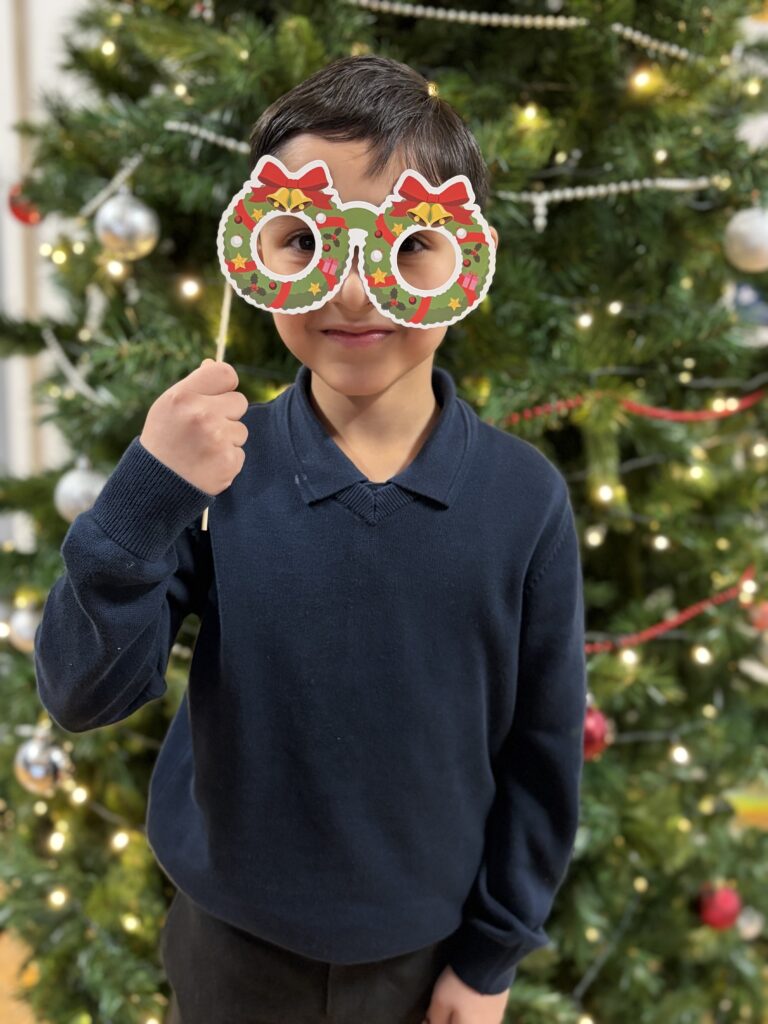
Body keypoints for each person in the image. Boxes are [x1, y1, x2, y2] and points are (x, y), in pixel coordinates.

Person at [33, 54, 587, 1024]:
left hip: (424, 960)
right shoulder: (215, 472)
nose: (356, 294)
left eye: (407, 244)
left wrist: (490, 959)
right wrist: (147, 491)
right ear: (258, 245)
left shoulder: (524, 500)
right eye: (307, 239)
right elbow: (83, 691)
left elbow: (544, 750)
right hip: (230, 949)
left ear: (467, 256)